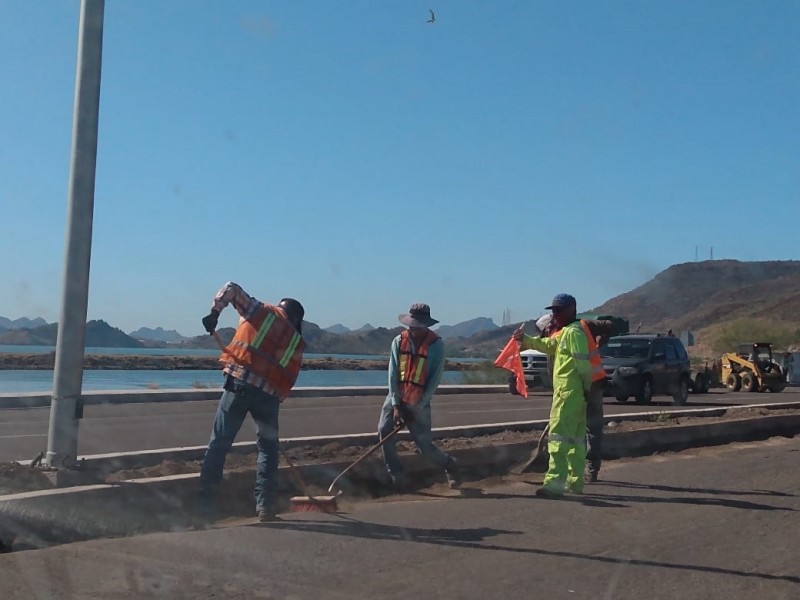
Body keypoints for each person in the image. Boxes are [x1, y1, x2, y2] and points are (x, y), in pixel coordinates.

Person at [197, 282, 306, 522]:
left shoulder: (263, 312)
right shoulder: (295, 340)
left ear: (281, 308)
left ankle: (205, 505)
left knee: (219, 444)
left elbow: (232, 288)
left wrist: (215, 313)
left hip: (240, 386)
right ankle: (265, 507)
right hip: (268, 397)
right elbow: (288, 380)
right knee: (268, 450)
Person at [513, 294, 601, 498]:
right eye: (553, 311)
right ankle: (574, 482)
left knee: (558, 439)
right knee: (576, 440)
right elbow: (548, 345)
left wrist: (585, 388)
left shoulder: (573, 333)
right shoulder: (568, 332)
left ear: (572, 309)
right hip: (575, 393)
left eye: (558, 310)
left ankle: (554, 484)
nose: (554, 315)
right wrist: (524, 340)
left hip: (569, 393)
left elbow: (583, 366)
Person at [378, 303, 460, 490]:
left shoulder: (436, 346)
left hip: (420, 400)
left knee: (424, 445)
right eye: (411, 324)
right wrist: (396, 405)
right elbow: (392, 374)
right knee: (384, 429)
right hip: (397, 396)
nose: (413, 328)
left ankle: (450, 464)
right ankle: (397, 474)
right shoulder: (398, 341)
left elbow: (434, 381)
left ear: (426, 324)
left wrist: (418, 408)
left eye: (417, 324)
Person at [536, 313, 614, 482]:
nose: (544, 336)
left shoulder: (579, 327)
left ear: (551, 326)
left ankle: (589, 470)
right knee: (576, 429)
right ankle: (575, 473)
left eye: (544, 332)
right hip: (573, 389)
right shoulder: (558, 338)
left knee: (590, 428)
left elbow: (608, 324)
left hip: (590, 385)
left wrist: (600, 342)